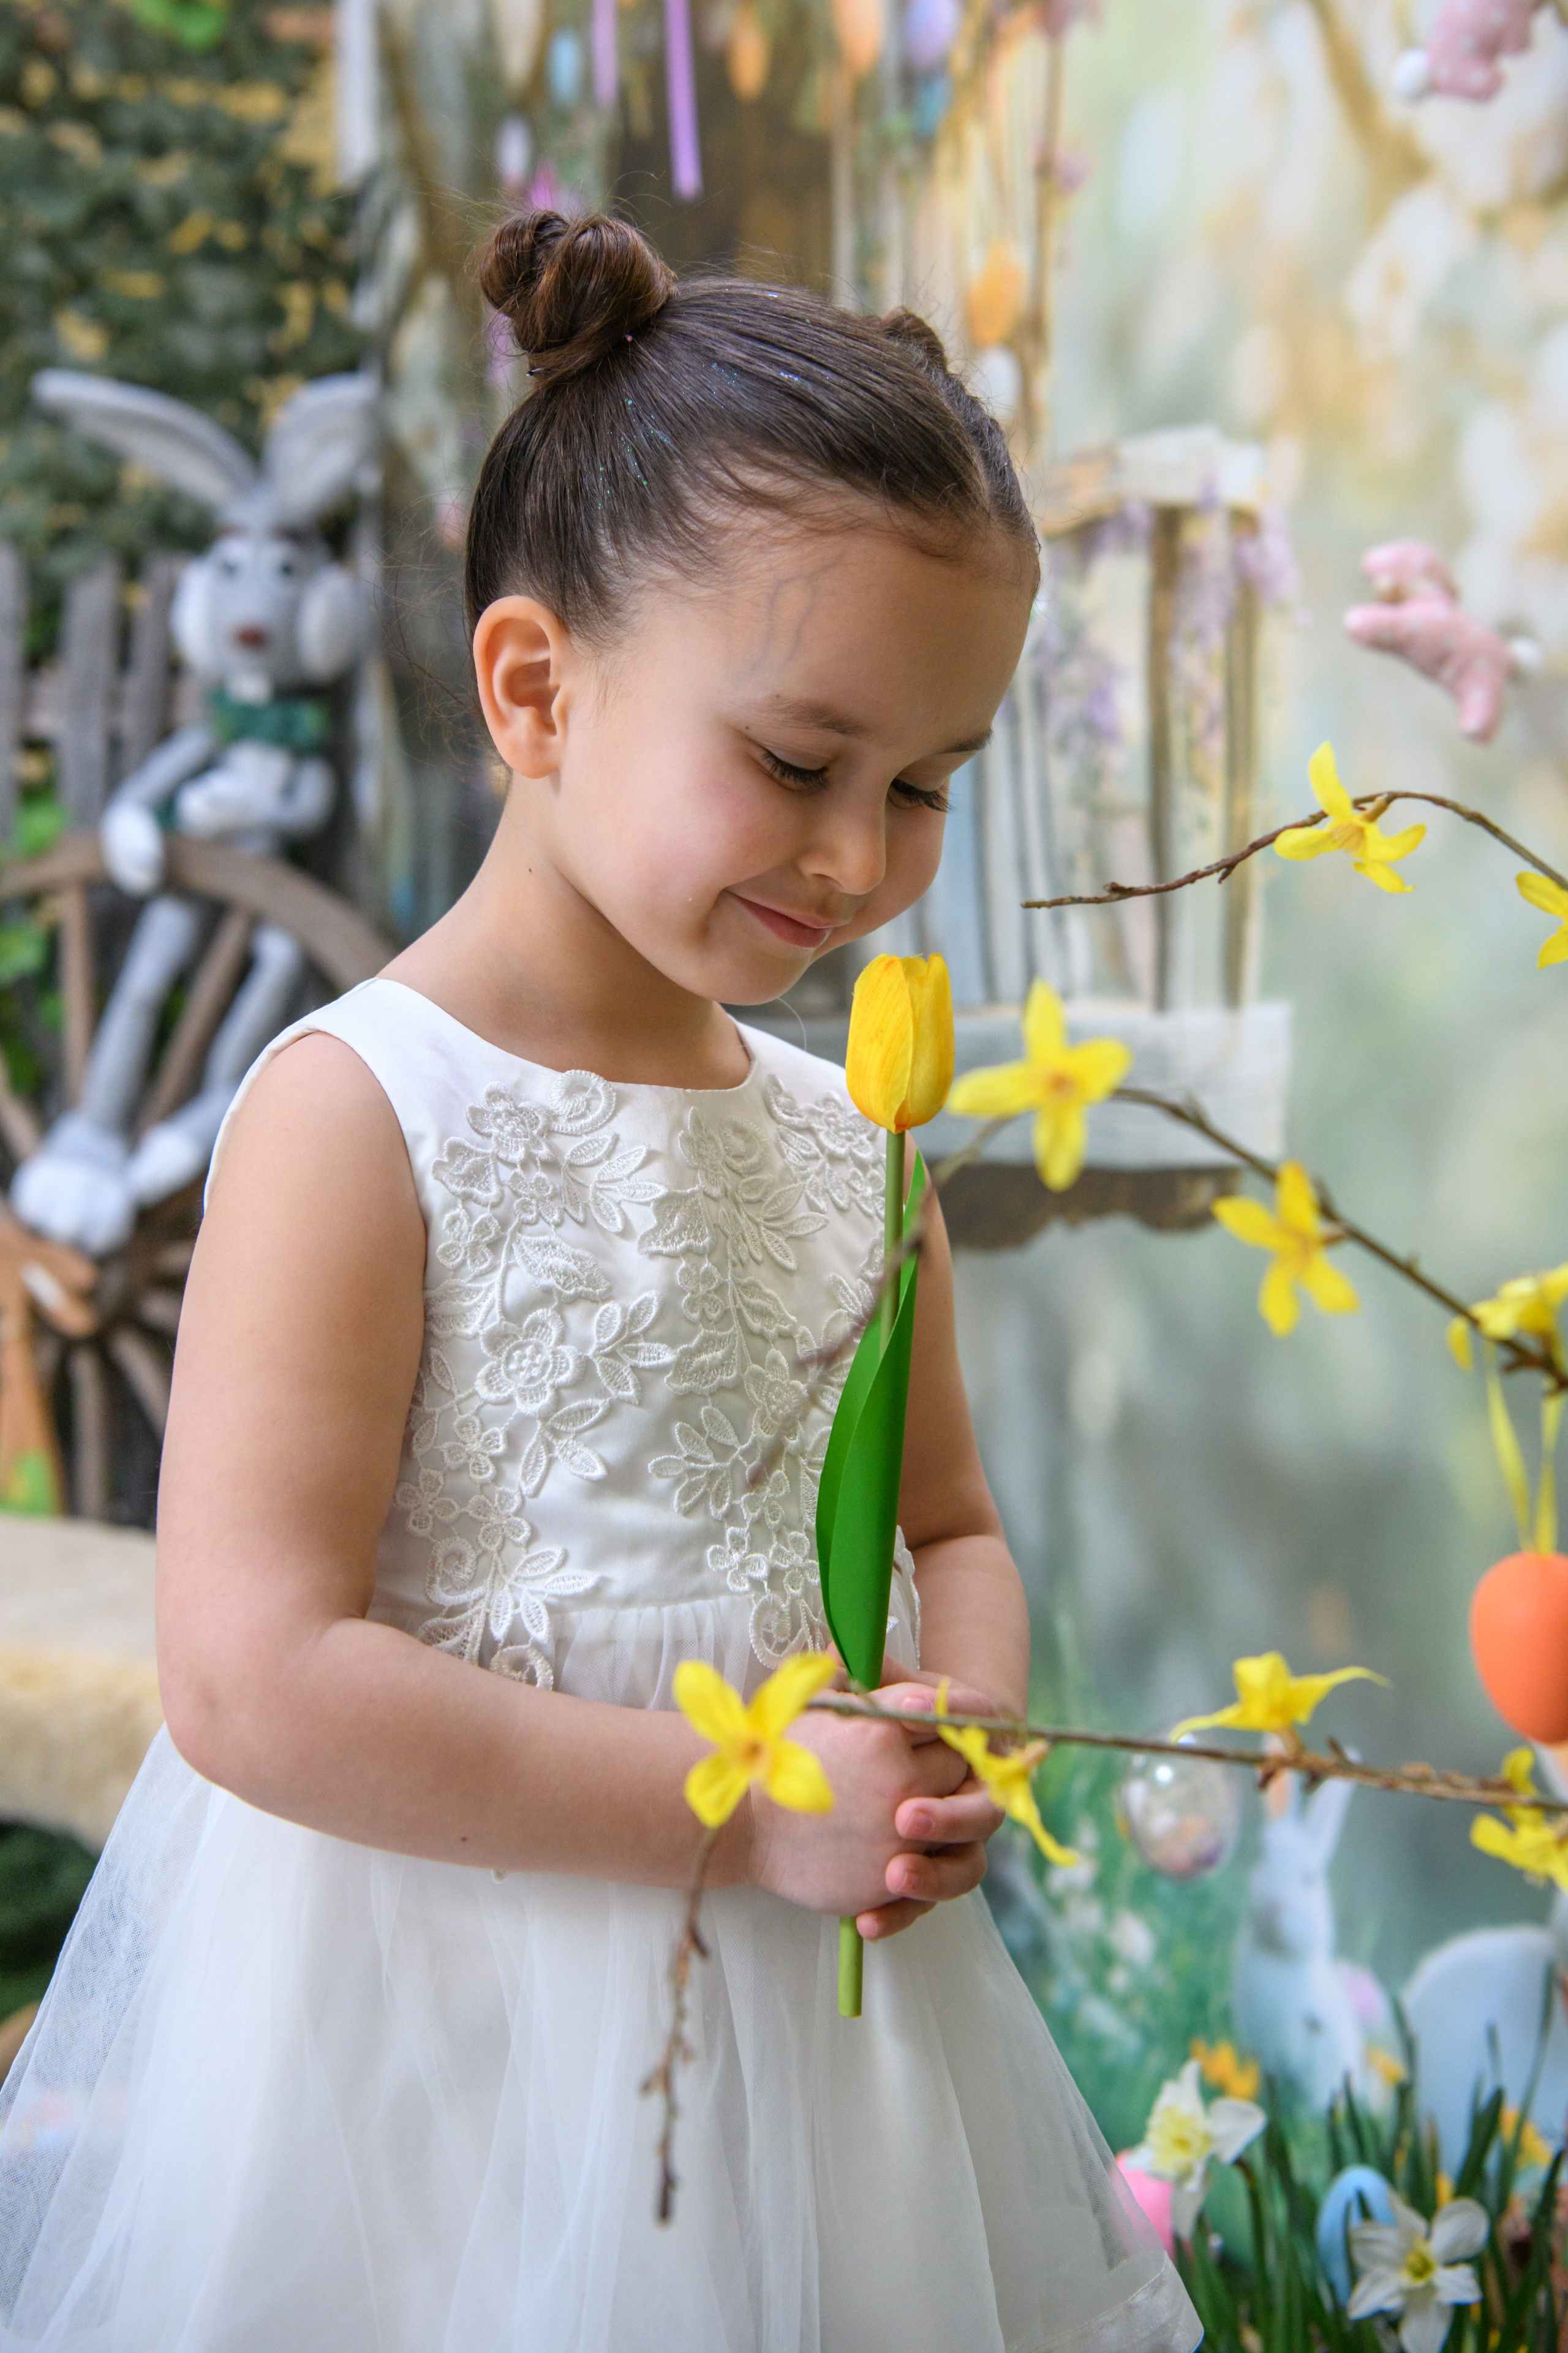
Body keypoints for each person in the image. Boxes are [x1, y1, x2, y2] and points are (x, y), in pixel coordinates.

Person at [0, 213, 1199, 2353]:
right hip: (461, 2058)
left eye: (927, 784)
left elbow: (948, 1528)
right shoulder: (360, 1115)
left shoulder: (858, 1145)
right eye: (799, 759)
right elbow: (250, 1673)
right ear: (537, 687)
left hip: (840, 2060)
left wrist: (959, 1724)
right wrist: (735, 1815)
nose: (861, 856)